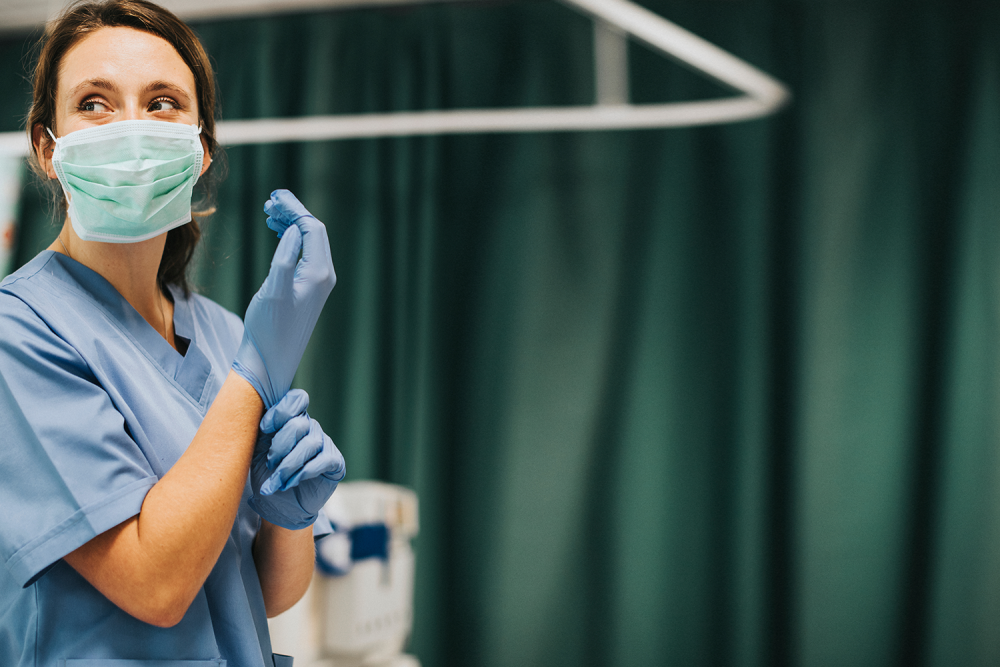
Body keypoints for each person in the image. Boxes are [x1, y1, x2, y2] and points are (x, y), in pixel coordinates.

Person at [0, 1, 345, 665]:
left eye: (161, 102)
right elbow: (157, 584)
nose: (131, 128)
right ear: (47, 147)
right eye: (95, 103)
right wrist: (253, 376)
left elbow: (263, 593)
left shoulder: (223, 332)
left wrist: (291, 516)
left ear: (201, 147)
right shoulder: (20, 332)